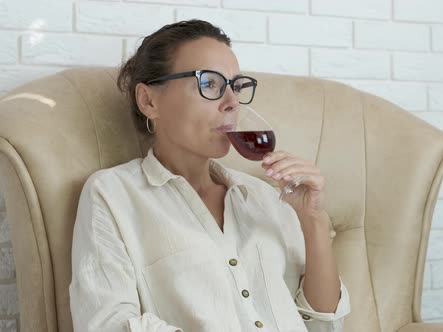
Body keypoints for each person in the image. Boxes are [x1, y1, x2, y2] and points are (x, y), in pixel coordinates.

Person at [69, 19, 350, 332]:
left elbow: (325, 324)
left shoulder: (266, 196)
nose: (232, 103)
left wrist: (312, 219)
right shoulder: (113, 194)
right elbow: (107, 323)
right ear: (149, 101)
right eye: (210, 84)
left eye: (236, 86)